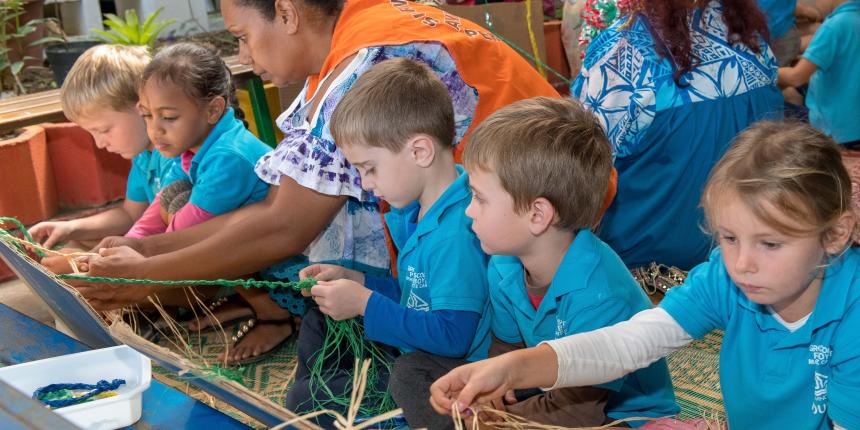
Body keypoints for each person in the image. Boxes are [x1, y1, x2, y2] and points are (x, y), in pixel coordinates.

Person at [75, 0, 562, 364]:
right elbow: (277, 204)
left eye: (242, 35)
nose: (242, 55)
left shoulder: (365, 64)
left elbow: (284, 226)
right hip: (517, 217)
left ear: (286, 13)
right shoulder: (355, 33)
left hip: (544, 240)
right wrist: (148, 254)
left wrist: (137, 281)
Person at [430, 121, 860, 430]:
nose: (742, 262)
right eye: (729, 238)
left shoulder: (851, 316)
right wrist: (511, 369)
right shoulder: (725, 280)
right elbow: (630, 343)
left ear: (835, 235)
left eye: (770, 244)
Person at [394, 97, 677, 428]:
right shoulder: (503, 264)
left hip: (615, 415)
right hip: (542, 387)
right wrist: (490, 390)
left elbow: (578, 413)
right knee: (411, 371)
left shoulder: (600, 294)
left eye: (480, 198)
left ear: (537, 215)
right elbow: (505, 345)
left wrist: (488, 421)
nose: (469, 211)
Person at [291, 58, 491, 425]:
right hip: (420, 349)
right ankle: (318, 392)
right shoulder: (419, 211)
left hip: (444, 372)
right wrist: (359, 283)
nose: (366, 183)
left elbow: (453, 337)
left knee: (310, 398)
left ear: (419, 152)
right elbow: (416, 293)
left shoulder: (456, 234)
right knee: (317, 319)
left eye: (370, 168)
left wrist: (365, 303)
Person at [574, 0, 783, 270]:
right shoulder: (748, 36)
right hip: (743, 252)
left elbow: (582, 167)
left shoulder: (624, 50)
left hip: (650, 268)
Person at [28, 45, 180, 252]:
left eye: (104, 130)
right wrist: (70, 227)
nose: (100, 144)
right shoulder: (144, 157)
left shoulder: (176, 156)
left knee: (72, 259)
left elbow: (172, 233)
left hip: (177, 247)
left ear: (143, 108)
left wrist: (92, 259)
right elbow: (130, 214)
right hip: (155, 242)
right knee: (71, 245)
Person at [777, 0, 860, 147]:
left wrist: (764, 71)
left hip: (834, 130)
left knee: (779, 108)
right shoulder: (854, 18)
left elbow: (796, 77)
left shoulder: (832, 27)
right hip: (855, 127)